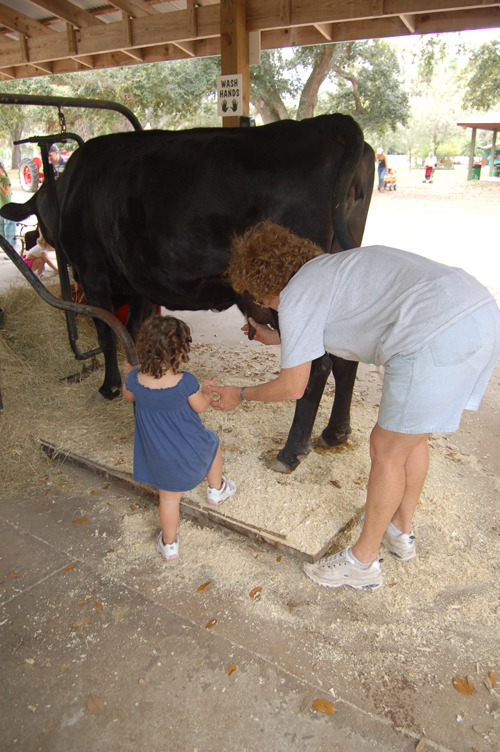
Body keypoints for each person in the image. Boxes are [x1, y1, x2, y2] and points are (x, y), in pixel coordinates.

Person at [210, 221, 500, 592]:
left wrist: (241, 393)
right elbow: (329, 326)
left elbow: (292, 386)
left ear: (265, 282)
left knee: (386, 450)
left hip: (434, 334)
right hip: (477, 313)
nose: (261, 302)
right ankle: (400, 531)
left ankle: (362, 562)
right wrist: (282, 338)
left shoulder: (296, 295)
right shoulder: (331, 269)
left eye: (258, 294)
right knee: (410, 438)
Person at [123, 315, 237, 562]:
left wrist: (128, 373)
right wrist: (206, 390)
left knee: (168, 499)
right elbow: (201, 407)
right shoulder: (186, 382)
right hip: (190, 451)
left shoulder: (135, 381)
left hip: (159, 458)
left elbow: (128, 397)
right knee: (213, 441)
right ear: (180, 352)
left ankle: (169, 544)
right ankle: (216, 491)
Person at [0, 160, 16, 247]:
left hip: (7, 208)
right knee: (2, 231)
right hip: (1, 208)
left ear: (2, 169)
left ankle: (13, 248)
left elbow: (5, 194)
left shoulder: (5, 179)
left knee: (9, 231)